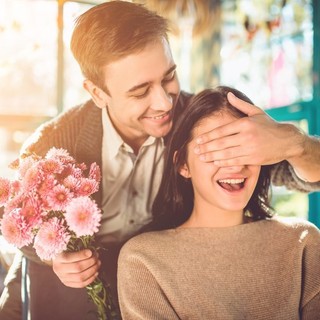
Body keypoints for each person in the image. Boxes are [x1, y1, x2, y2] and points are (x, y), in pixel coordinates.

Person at [0, 1, 320, 320]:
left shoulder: (201, 121)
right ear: (97, 93)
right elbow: (14, 221)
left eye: (169, 77)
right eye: (140, 92)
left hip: (155, 282)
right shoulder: (55, 142)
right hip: (61, 290)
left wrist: (294, 143)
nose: (165, 102)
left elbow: (300, 171)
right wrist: (53, 257)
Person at [117, 86, 320, 319]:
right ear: (183, 164)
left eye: (243, 150)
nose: (235, 166)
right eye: (218, 151)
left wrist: (294, 140)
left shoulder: (303, 242)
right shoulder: (143, 260)